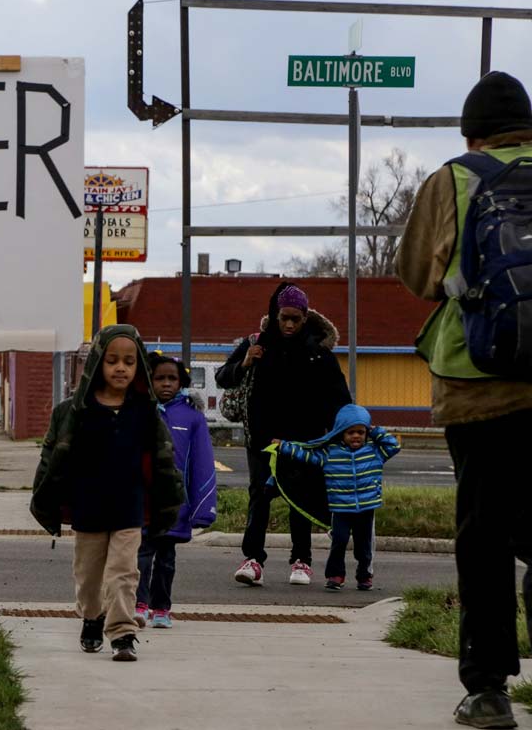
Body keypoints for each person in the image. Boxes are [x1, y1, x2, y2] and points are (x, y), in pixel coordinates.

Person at [396, 70, 532, 730]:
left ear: (471, 131)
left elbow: (420, 273)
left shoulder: (455, 177)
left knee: (485, 536)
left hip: (478, 388)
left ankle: (488, 691)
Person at [30, 325, 185, 662]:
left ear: (138, 367)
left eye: (129, 362)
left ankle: (122, 632)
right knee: (88, 577)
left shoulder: (144, 412)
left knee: (123, 573)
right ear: (98, 362)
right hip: (88, 507)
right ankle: (91, 617)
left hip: (129, 507)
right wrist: (46, 498)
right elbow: (51, 459)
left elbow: (163, 459)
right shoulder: (75, 412)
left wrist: (170, 496)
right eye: (113, 360)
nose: (120, 368)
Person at [215, 282, 351, 587]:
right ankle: (253, 560)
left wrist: (345, 433)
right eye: (283, 317)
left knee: (299, 498)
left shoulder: (319, 353)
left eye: (295, 319)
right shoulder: (256, 343)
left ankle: (301, 561)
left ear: (305, 318)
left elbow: (339, 398)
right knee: (259, 496)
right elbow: (223, 377)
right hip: (261, 439)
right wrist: (245, 361)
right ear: (274, 315)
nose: (289, 324)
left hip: (304, 441)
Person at [272, 404, 400, 592]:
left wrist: (374, 430)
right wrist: (283, 447)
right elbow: (306, 454)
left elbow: (393, 445)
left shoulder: (375, 452)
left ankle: (364, 576)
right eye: (350, 432)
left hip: (366, 508)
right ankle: (335, 575)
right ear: (341, 433)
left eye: (361, 432)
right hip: (340, 508)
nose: (356, 436)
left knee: (363, 546)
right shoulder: (330, 453)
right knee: (338, 541)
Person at [135, 354, 217, 629]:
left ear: (181, 382)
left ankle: (162, 608)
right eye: (160, 378)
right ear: (150, 380)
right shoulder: (140, 411)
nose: (166, 384)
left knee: (166, 561)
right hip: (143, 502)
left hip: (175, 506)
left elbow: (203, 463)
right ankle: (139, 604)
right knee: (141, 557)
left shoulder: (192, 417)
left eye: (172, 379)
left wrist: (203, 508)